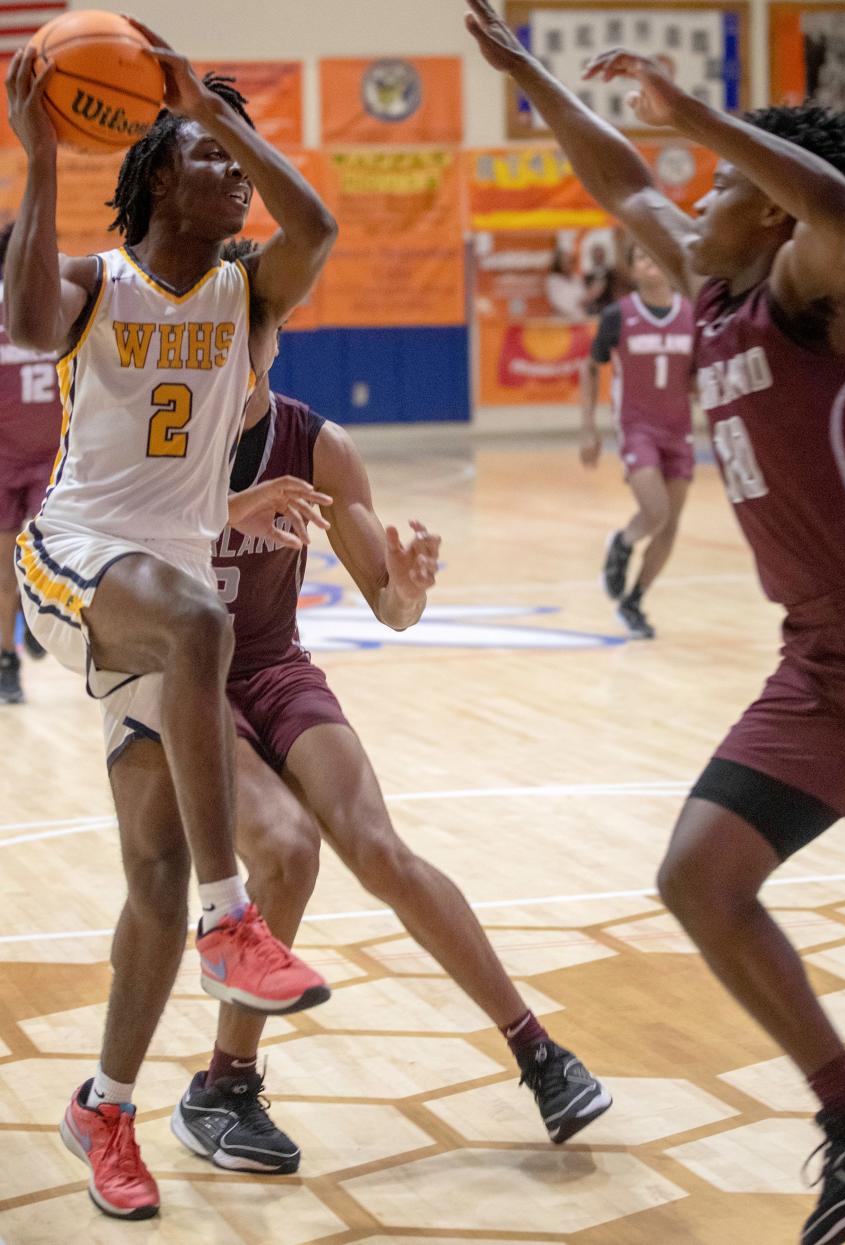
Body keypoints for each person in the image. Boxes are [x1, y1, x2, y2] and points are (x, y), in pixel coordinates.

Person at [466, 5, 845, 1241]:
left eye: (725, 183)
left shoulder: (818, 288)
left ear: (774, 212)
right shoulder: (712, 282)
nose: (700, 197)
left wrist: (694, 109)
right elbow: (622, 183)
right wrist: (528, 76)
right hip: (824, 657)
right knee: (702, 875)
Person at [169, 260, 611, 1170]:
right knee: (287, 851)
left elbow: (390, 606)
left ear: (271, 338)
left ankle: (538, 1051)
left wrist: (405, 588)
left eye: (247, 330)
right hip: (187, 682)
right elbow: (110, 546)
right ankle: (223, 1083)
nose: (232, 350)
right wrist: (223, 507)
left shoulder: (318, 443)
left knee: (381, 848)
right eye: (212, 334)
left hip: (273, 667)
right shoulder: (159, 439)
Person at [5, 29, 337, 1221]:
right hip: (81, 566)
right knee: (201, 618)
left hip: (166, 604)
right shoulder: (101, 282)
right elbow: (33, 324)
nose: (237, 180)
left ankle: (105, 1102)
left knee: (148, 876)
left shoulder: (249, 286)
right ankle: (231, 919)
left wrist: (226, 113)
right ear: (153, 179)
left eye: (242, 162)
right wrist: (38, 157)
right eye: (210, 158)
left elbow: (321, 233)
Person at [580, 241, 694, 637]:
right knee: (655, 509)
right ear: (631, 269)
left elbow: (698, 375)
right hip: (638, 428)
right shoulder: (618, 316)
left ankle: (634, 601)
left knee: (670, 526)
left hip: (680, 430)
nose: (651, 262)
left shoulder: (691, 315)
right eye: (642, 256)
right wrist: (589, 428)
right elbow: (591, 368)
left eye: (657, 254)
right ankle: (623, 542)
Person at [0, 221, 60, 702]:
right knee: (4, 571)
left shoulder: (64, 303)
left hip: (52, 460)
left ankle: (33, 612)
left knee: (40, 565)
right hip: (3, 459)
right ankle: (8, 662)